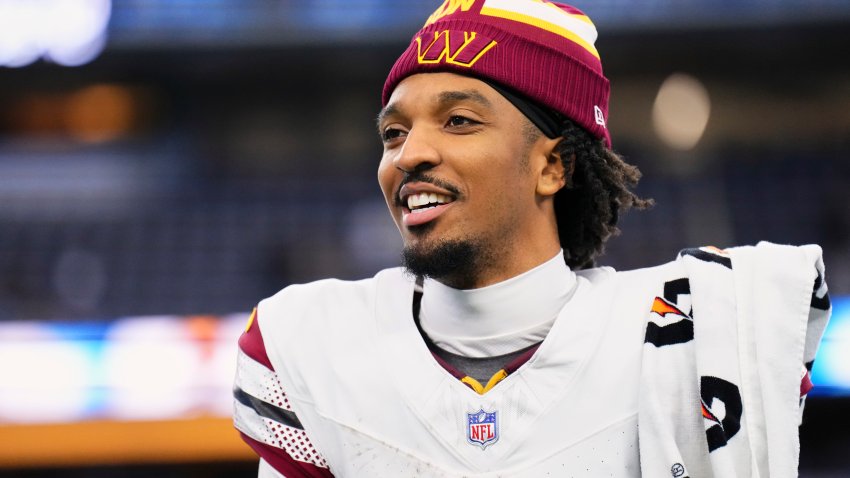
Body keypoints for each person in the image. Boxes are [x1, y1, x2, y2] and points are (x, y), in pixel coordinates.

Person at [232, 1, 831, 476]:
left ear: (554, 166)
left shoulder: (707, 323)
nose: (409, 155)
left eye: (459, 121)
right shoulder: (312, 345)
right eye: (393, 132)